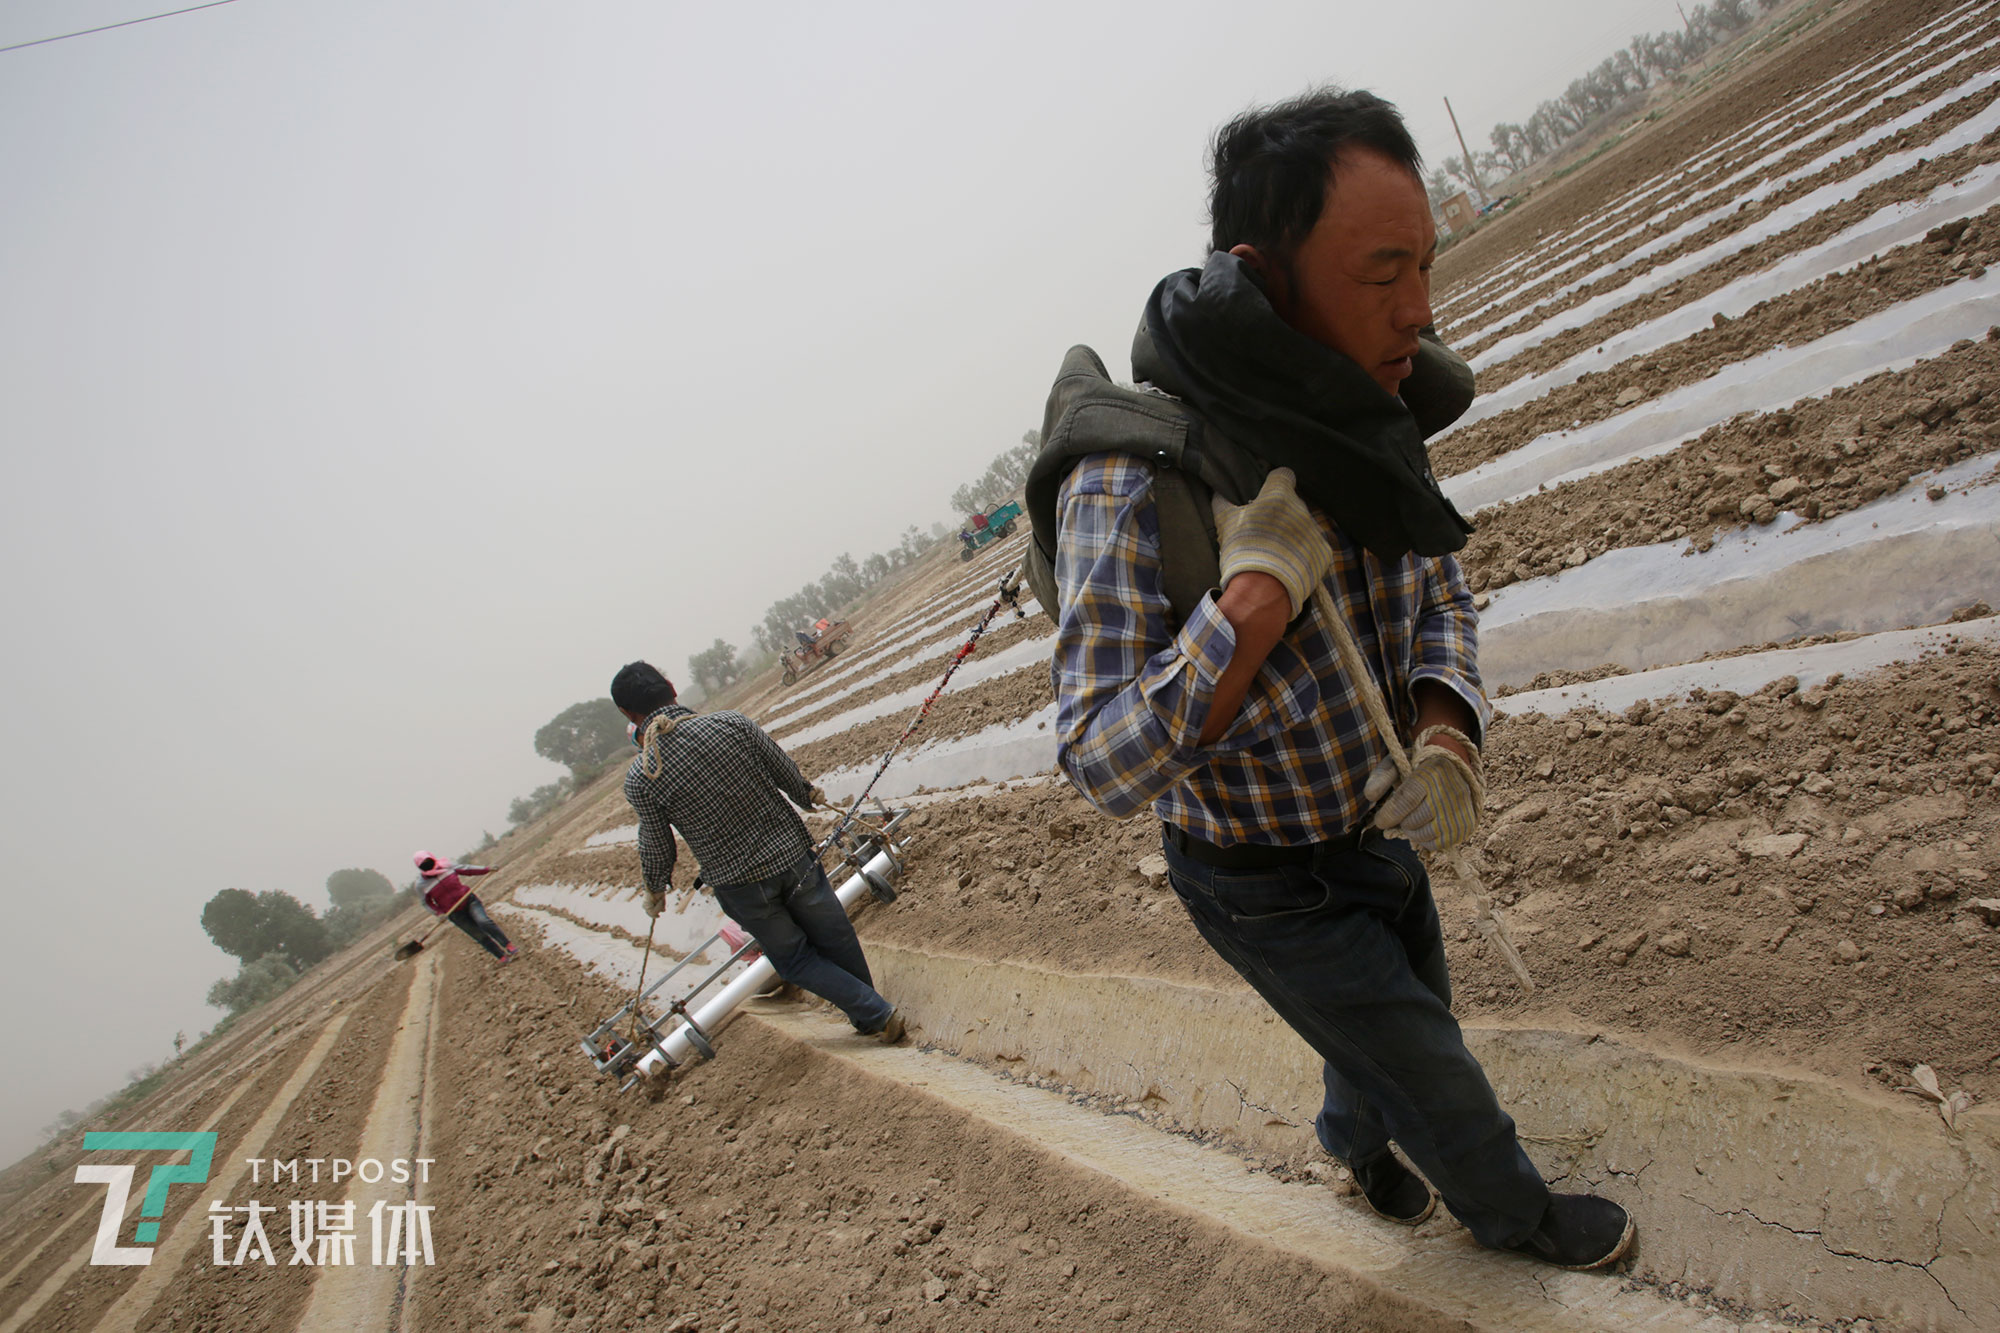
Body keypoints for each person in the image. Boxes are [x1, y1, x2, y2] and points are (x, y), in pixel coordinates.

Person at [1046, 88, 1633, 1271]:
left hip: (1370, 822)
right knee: (1425, 1054)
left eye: (1425, 265)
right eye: (1381, 272)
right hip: (1257, 873)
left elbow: (1439, 593)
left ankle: (1350, 1141)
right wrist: (1250, 602)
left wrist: (1445, 729)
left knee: (1391, 1016)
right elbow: (1098, 755)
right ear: (1264, 275)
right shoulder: (1128, 482)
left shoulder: (1370, 412)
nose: (1418, 312)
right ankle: (1513, 1217)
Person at [609, 660, 905, 1043]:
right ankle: (870, 1014)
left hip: (740, 885)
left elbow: (656, 844)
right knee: (835, 935)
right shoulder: (731, 724)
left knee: (794, 958)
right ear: (670, 687)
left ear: (628, 714)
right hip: (792, 855)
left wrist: (655, 889)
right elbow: (786, 773)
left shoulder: (644, 774)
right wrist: (806, 795)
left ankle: (875, 1013)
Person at [412, 852, 517, 963]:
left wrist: (486, 869)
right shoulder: (420, 885)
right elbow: (426, 902)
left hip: (469, 900)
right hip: (454, 913)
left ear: (432, 859)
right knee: (478, 935)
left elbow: (467, 869)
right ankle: (501, 956)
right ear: (420, 867)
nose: (428, 865)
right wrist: (438, 913)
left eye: (428, 861)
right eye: (424, 864)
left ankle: (508, 945)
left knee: (483, 921)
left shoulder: (447, 867)